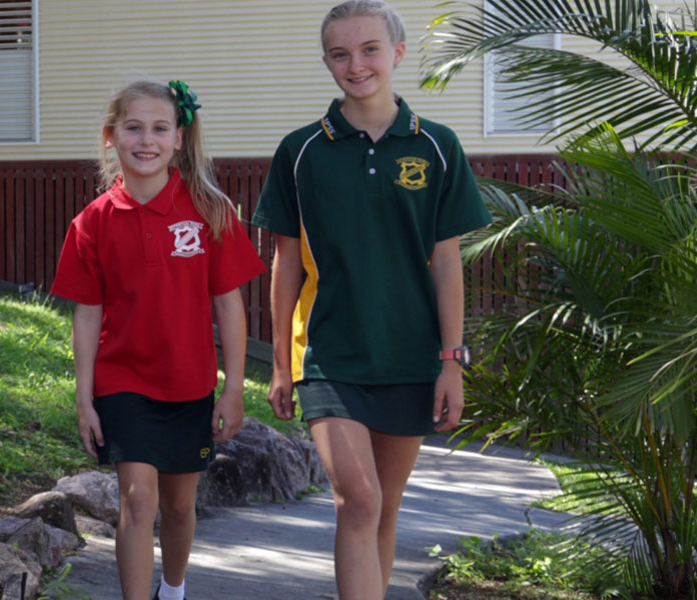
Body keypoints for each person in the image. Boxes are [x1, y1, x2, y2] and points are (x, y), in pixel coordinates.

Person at [251, 2, 493, 599]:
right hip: (330, 354)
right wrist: (281, 363)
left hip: (410, 357)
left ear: (398, 53)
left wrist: (450, 362)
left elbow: (445, 263)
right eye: (340, 53)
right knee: (357, 498)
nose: (355, 64)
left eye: (369, 50)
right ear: (328, 61)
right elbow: (284, 267)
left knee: (383, 509)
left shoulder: (437, 146)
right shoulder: (300, 151)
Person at [52, 80, 262, 600]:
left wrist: (233, 386)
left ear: (178, 138)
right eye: (134, 127)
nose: (147, 140)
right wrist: (84, 397)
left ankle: (173, 589)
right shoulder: (91, 223)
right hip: (122, 383)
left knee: (177, 507)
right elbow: (86, 313)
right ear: (111, 136)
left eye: (160, 128)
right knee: (138, 500)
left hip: (188, 384)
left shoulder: (210, 211)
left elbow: (228, 304)